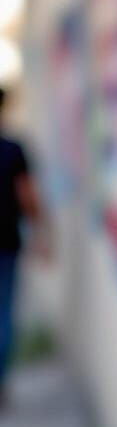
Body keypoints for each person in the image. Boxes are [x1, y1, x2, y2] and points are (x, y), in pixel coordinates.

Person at [0, 85, 51, 407]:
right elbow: (27, 196)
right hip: (7, 243)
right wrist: (41, 234)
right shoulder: (13, 149)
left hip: (8, 244)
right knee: (4, 315)